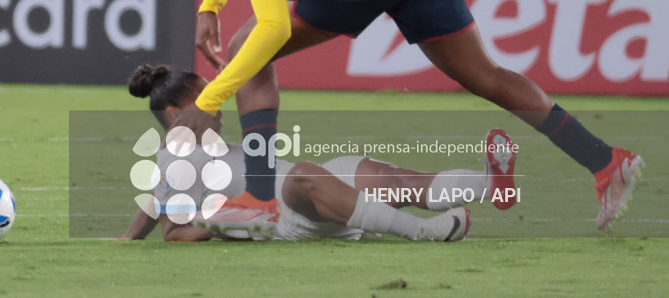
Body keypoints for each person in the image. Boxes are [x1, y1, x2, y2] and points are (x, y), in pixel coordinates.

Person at [137, 0, 643, 231]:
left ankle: (262, 199)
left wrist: (208, 99)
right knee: (485, 75)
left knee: (253, 41)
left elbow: (269, 23)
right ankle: (604, 160)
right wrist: (211, 3)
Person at [122, 64, 521, 242]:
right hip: (289, 216)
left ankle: (491, 185)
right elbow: (172, 230)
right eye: (205, 99)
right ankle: (421, 232)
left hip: (312, 192)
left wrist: (127, 238)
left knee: (374, 173)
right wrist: (228, 226)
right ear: (176, 115)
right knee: (305, 174)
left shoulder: (194, 151)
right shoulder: (175, 160)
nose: (217, 104)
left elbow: (154, 203)